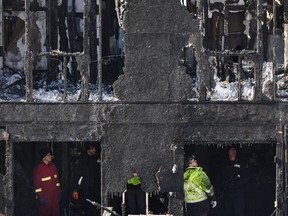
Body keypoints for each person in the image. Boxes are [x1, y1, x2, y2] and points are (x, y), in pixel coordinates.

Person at [72, 142, 101, 216]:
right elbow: (76, 174)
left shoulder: (96, 158)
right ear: (89, 149)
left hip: (96, 188)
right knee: (87, 208)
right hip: (85, 189)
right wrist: (75, 189)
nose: (95, 150)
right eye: (93, 148)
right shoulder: (82, 159)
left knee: (96, 208)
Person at [33, 148, 61, 216]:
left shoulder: (53, 166)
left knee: (55, 212)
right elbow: (37, 185)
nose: (50, 156)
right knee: (45, 213)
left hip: (54, 195)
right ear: (44, 157)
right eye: (48, 155)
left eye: (50, 155)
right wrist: (40, 197)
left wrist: (59, 191)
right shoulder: (38, 169)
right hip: (45, 197)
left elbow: (57, 181)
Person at [221, 147, 249, 216]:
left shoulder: (241, 164)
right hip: (227, 193)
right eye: (230, 151)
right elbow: (221, 178)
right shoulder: (225, 164)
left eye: (233, 150)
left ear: (236, 152)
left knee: (239, 211)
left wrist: (238, 182)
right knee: (228, 211)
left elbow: (247, 176)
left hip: (238, 193)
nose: (232, 152)